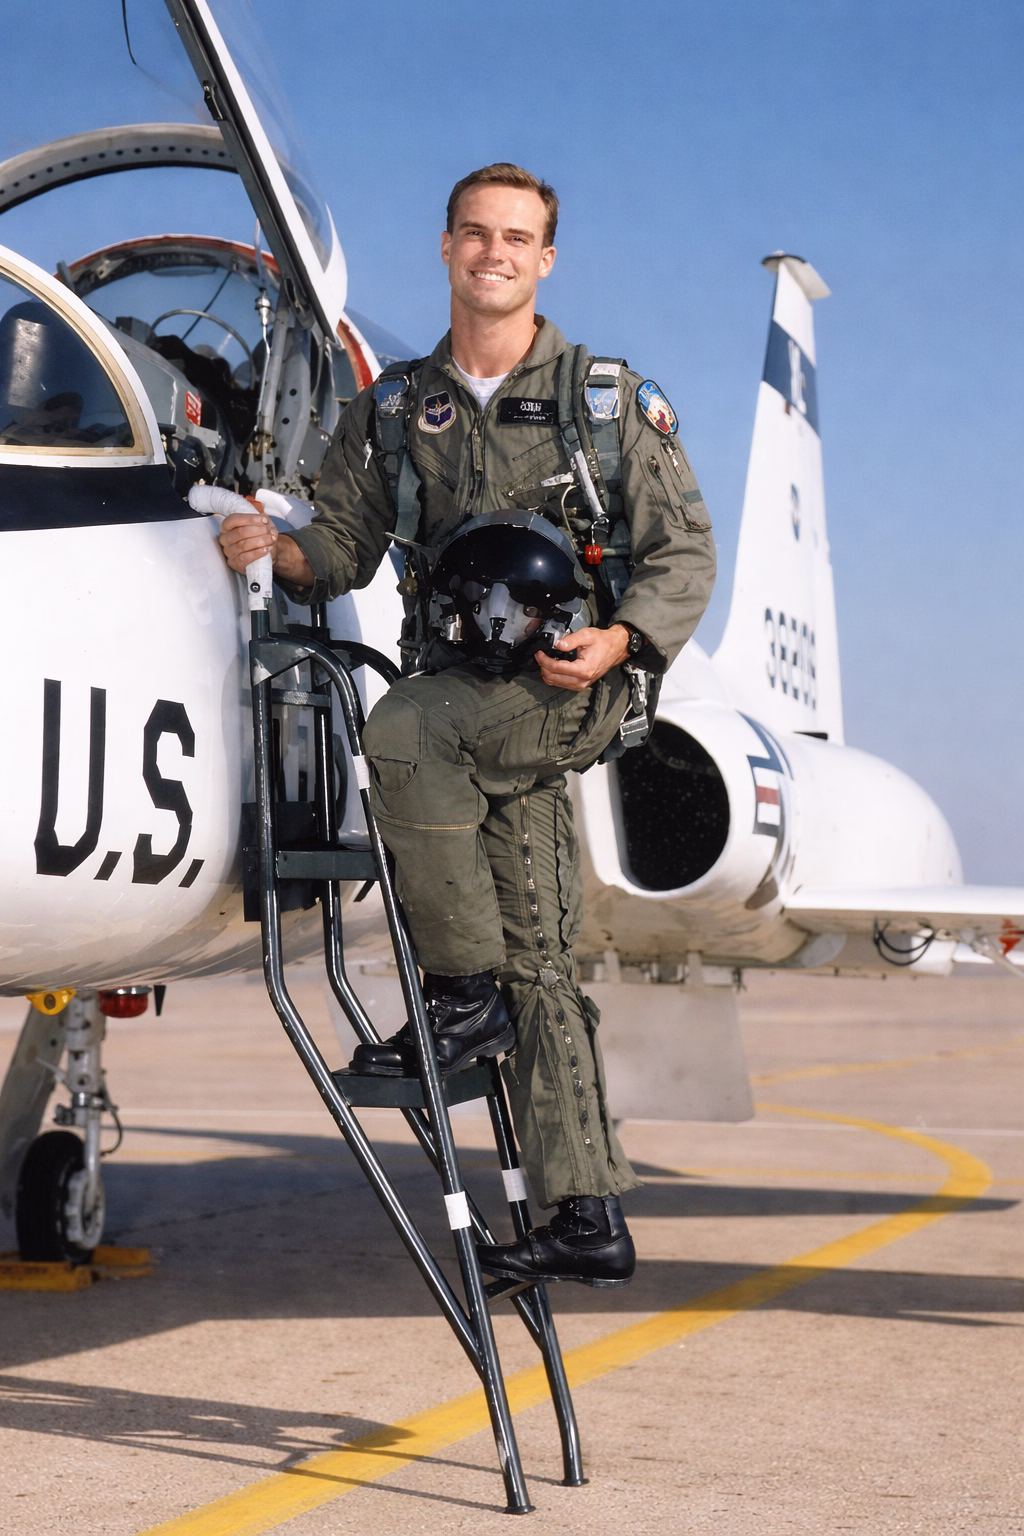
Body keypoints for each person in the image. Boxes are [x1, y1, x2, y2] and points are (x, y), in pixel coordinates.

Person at [219, 164, 716, 1287]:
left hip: (566, 681)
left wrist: (621, 639)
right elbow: (339, 545)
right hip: (462, 684)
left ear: (545, 261)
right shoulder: (395, 409)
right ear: (445, 248)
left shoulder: (604, 401)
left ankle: (456, 997)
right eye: (475, 234)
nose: (494, 252)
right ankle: (586, 1214)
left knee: (400, 738)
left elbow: (684, 553)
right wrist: (277, 549)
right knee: (540, 957)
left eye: (518, 238)